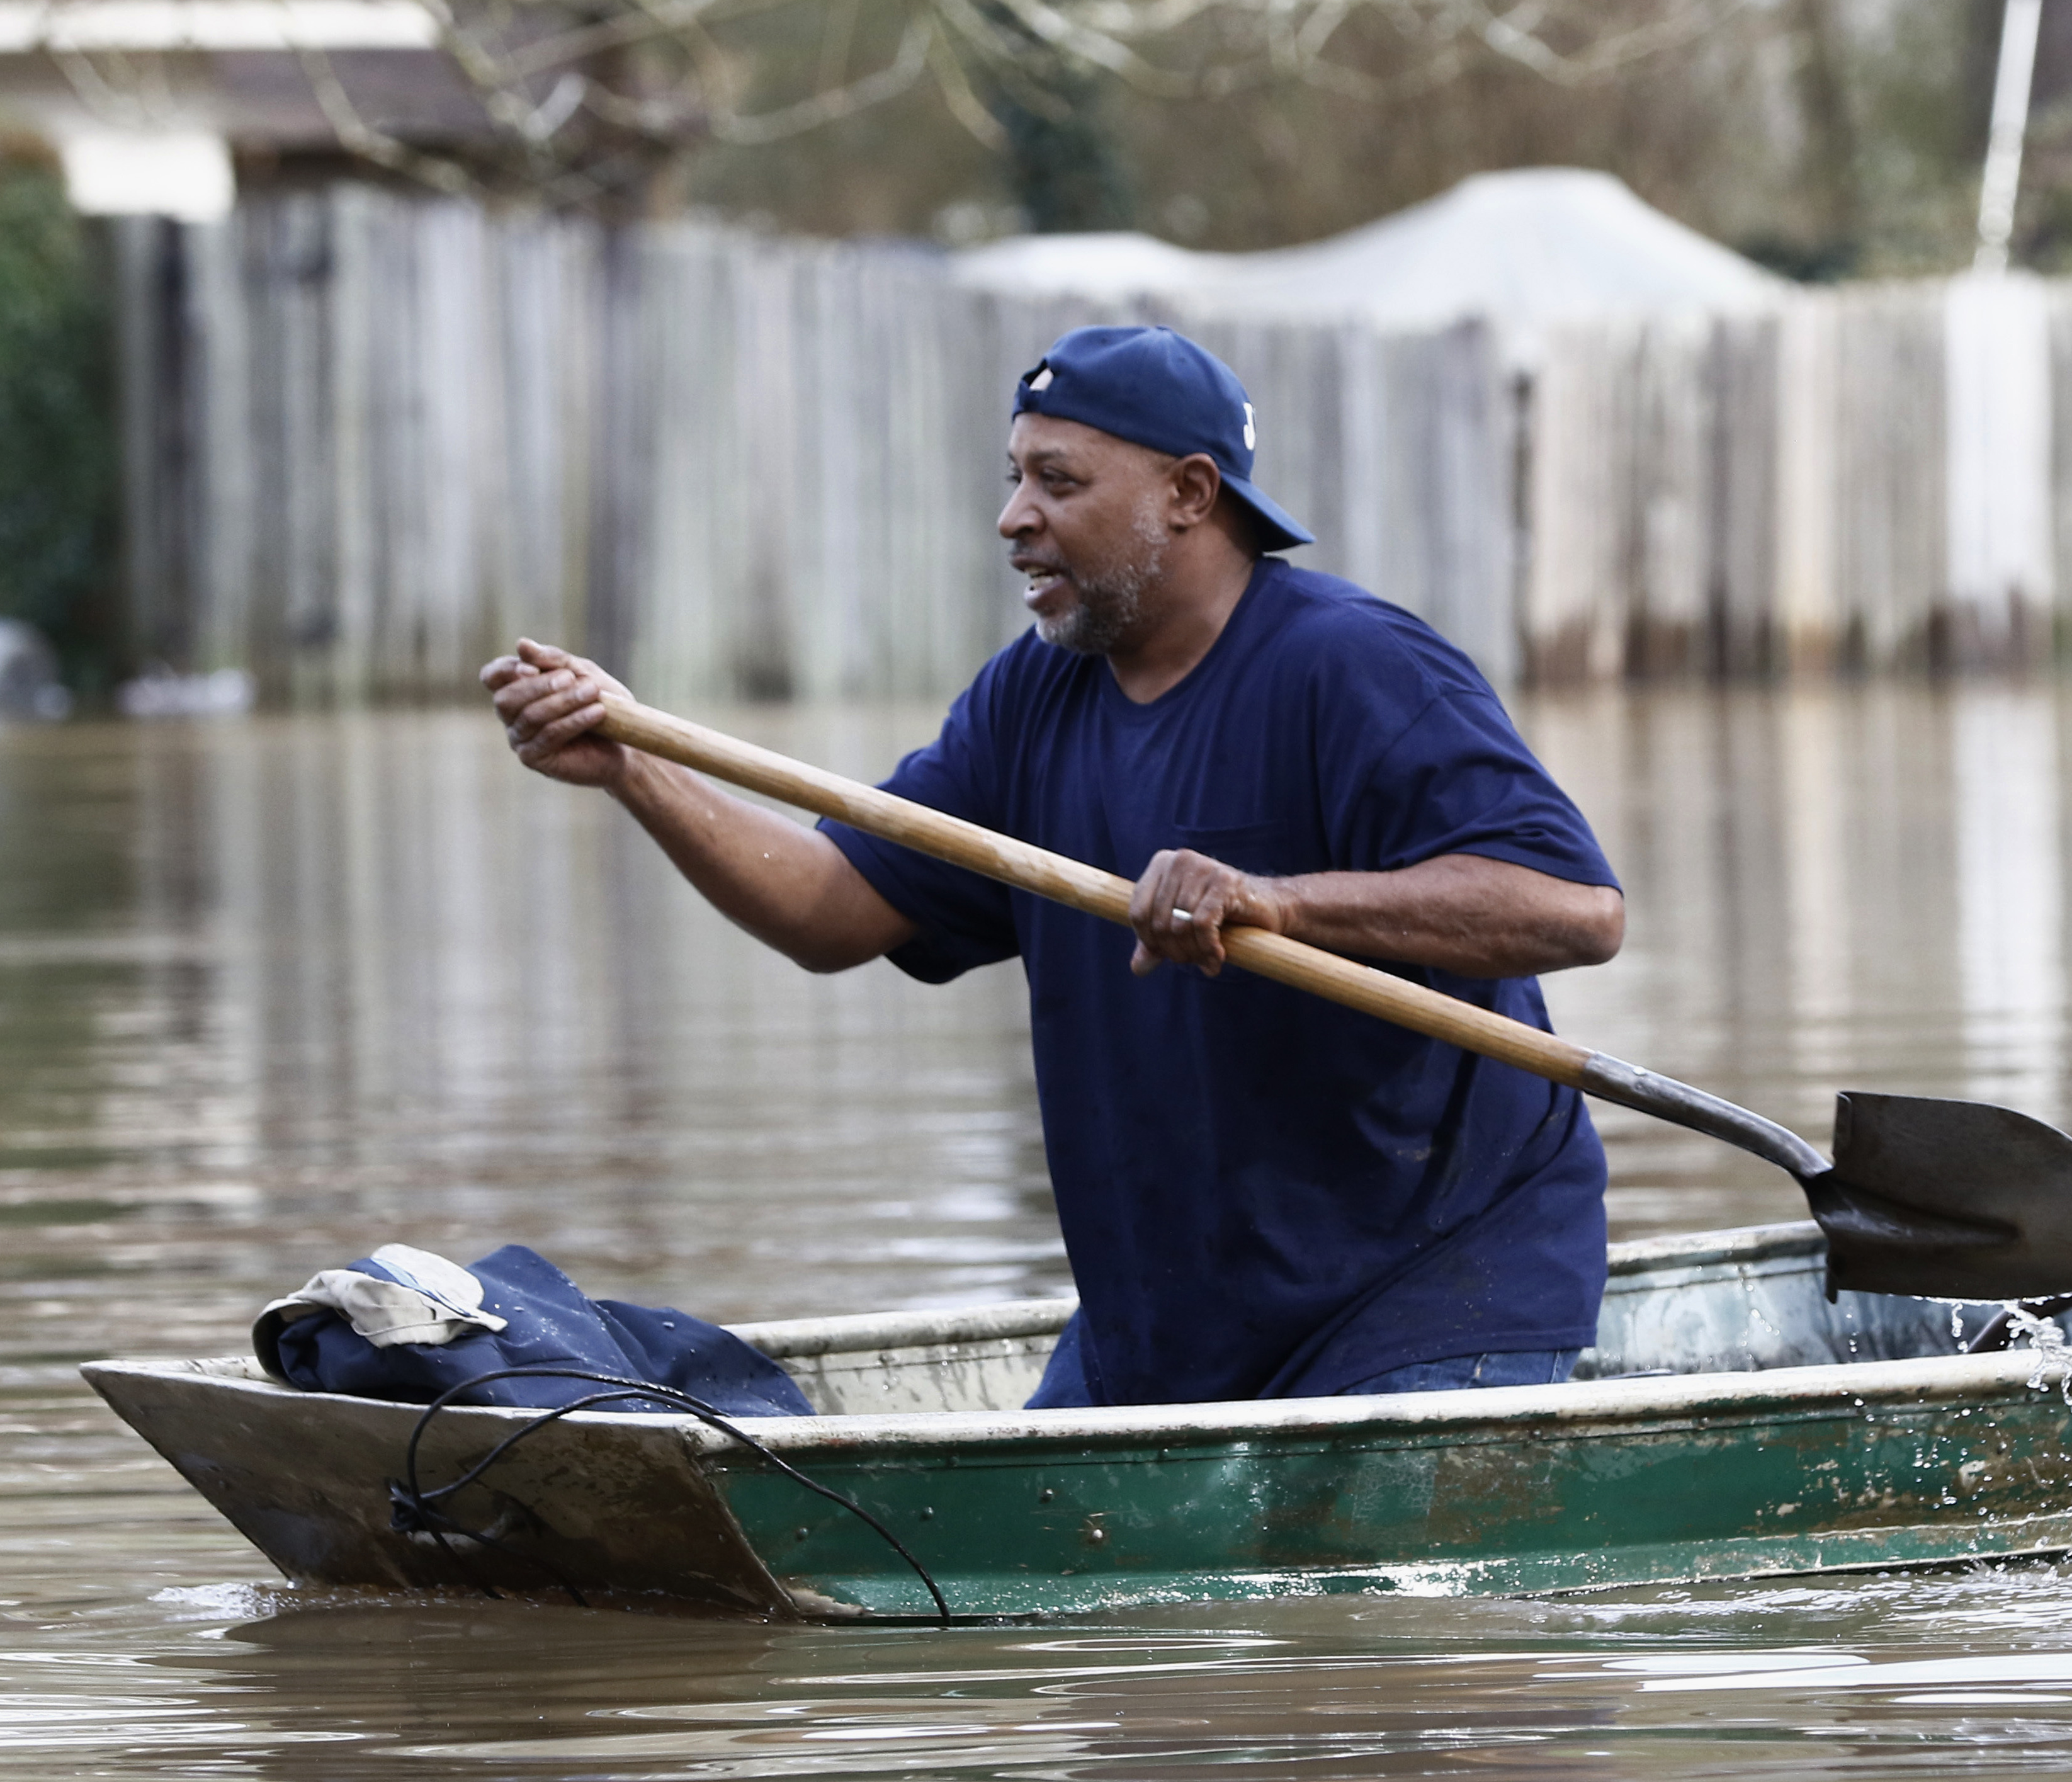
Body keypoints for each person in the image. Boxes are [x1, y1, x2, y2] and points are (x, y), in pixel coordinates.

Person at [485, 324, 1626, 1405]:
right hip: (1175, 1318)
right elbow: (832, 913)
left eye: (1059, 483)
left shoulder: (1351, 664)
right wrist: (636, 765)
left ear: (1188, 494)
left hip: (1423, 1299)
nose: (1011, 519)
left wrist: (1277, 901)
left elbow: (1576, 910)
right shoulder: (1032, 699)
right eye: (1014, 478)